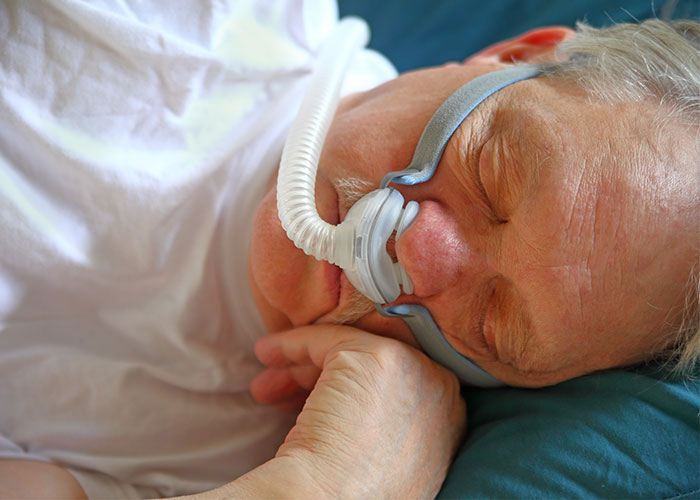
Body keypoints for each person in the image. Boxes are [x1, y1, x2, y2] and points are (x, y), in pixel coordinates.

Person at [0, 0, 697, 497]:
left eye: (494, 324)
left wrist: (317, 488)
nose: (420, 256)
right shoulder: (207, 20)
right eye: (492, 171)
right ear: (513, 56)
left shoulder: (231, 464)